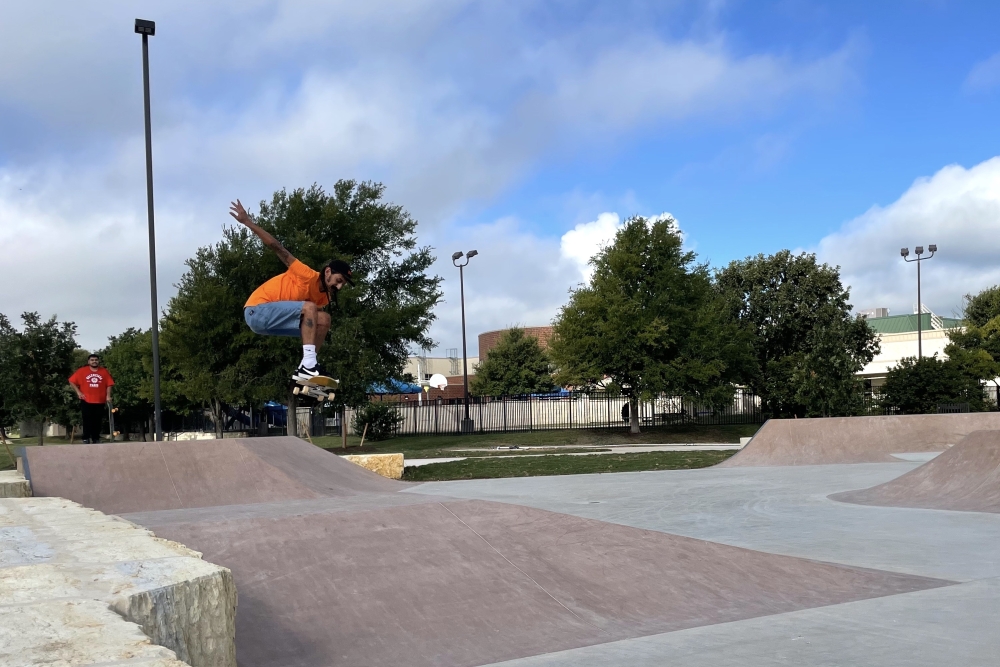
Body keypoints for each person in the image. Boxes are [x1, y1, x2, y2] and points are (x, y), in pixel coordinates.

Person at [230, 199, 355, 381]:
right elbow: (277, 247)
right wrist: (248, 222)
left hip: (272, 322)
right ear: (328, 272)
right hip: (256, 310)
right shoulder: (305, 274)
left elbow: (312, 326)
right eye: (338, 280)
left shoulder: (325, 297)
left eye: (342, 284)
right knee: (310, 307)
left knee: (324, 320)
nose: (339, 286)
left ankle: (306, 368)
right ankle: (309, 366)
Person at [68, 354, 114, 444]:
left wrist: (108, 396)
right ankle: (86, 437)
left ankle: (96, 438)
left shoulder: (104, 371)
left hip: (100, 400)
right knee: (87, 419)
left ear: (98, 361)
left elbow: (109, 384)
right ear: (88, 362)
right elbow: (71, 381)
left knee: (98, 420)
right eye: (92, 360)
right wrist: (78, 392)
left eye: (96, 360)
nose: (94, 361)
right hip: (86, 399)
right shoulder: (82, 371)